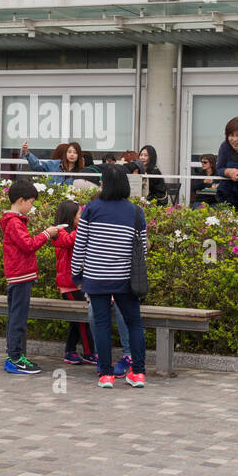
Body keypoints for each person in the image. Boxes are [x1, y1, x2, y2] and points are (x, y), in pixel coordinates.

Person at [71, 164, 149, 388]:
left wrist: (77, 274)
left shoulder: (91, 209)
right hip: (126, 279)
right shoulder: (136, 212)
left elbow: (80, 246)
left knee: (103, 324)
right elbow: (141, 250)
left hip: (96, 278)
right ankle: (139, 373)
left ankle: (105, 375)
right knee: (134, 324)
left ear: (104, 184)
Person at [0, 179, 62, 374]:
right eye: (31, 202)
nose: (32, 207)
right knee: (17, 318)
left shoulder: (13, 221)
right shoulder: (14, 222)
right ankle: (15, 358)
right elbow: (29, 245)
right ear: (20, 201)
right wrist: (47, 233)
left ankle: (15, 356)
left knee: (16, 317)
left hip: (19, 276)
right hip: (20, 277)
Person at [51, 200, 97, 366]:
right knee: (83, 320)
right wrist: (86, 226)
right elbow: (70, 241)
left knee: (76, 320)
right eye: (79, 214)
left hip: (76, 283)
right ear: (70, 217)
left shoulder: (72, 231)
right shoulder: (61, 233)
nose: (82, 217)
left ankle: (70, 351)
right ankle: (89, 352)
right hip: (69, 285)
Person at [20, 139, 85, 186]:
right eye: (69, 152)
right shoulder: (54, 164)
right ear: (65, 153)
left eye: (75, 152)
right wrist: (26, 152)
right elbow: (37, 165)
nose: (72, 154)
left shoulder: (81, 171)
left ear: (78, 155)